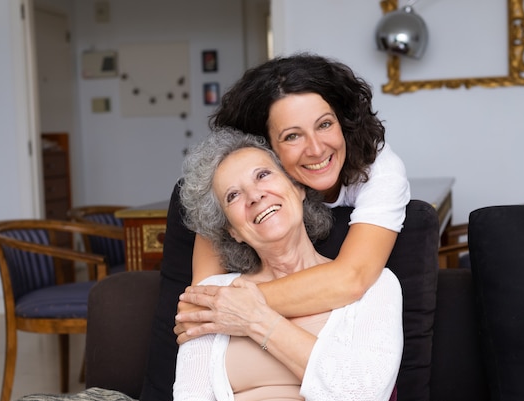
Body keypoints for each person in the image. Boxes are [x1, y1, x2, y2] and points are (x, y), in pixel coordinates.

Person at [167, 128, 403, 401]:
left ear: (298, 187)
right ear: (232, 230)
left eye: (263, 175)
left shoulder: (375, 284)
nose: (254, 196)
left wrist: (257, 320)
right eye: (233, 195)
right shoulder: (215, 295)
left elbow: (367, 395)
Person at [175, 53, 410, 341]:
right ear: (264, 147)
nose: (316, 149)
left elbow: (351, 278)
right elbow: (201, 297)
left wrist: (231, 307)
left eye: (325, 124)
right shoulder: (235, 192)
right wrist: (213, 308)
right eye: (292, 136)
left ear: (343, 121)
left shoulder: (382, 171)